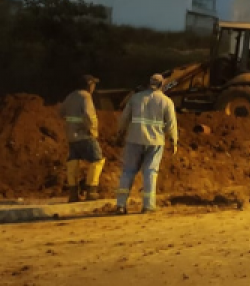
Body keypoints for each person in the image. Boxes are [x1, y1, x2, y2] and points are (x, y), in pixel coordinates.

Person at [115, 74, 178, 214]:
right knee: (150, 172)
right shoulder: (166, 102)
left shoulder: (136, 98)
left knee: (128, 171)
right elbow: (171, 124)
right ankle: (148, 206)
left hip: (134, 139)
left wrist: (119, 134)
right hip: (155, 142)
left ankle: (120, 205)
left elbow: (124, 118)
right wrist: (173, 141)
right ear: (162, 84)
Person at [59, 74, 105, 202]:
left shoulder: (70, 96)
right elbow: (89, 116)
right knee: (97, 159)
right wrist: (93, 131)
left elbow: (61, 112)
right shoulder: (86, 97)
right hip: (84, 135)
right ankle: (91, 191)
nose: (94, 87)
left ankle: (73, 194)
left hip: (71, 136)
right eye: (93, 84)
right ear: (88, 85)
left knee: (73, 160)